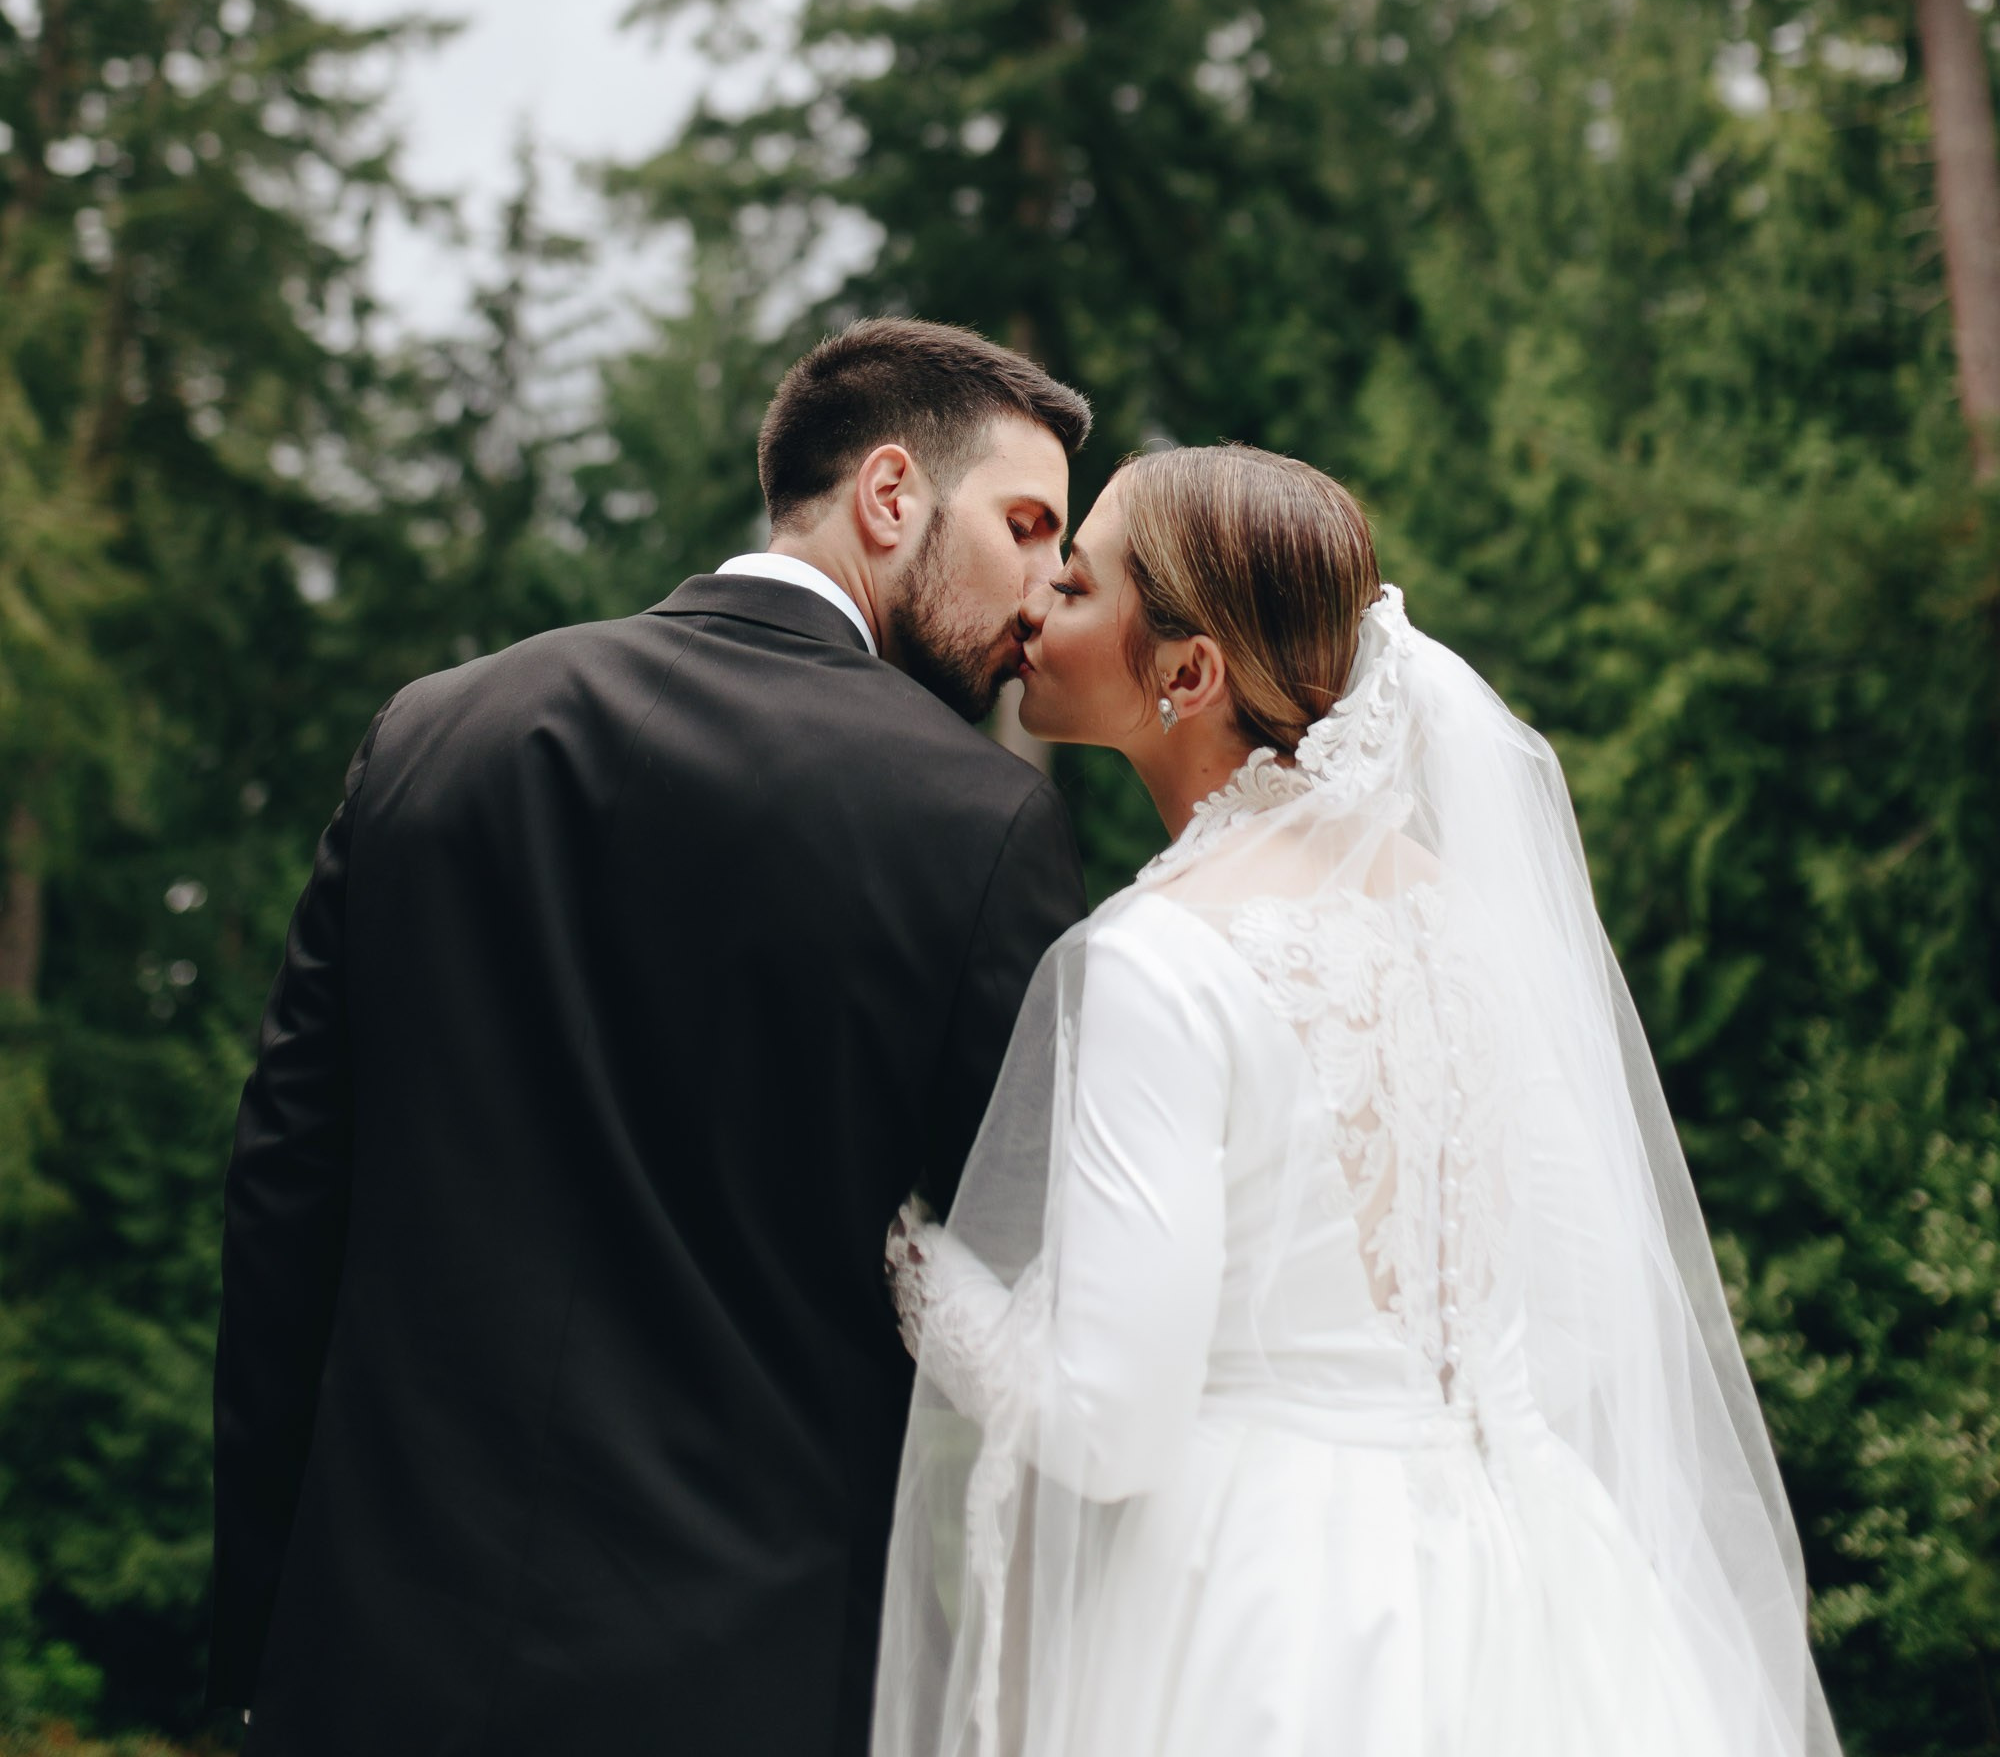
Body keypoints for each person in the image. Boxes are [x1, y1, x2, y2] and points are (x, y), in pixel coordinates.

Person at [209, 317, 1090, 1757]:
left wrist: (261, 1633)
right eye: (1028, 522)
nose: (1048, 586)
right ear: (888, 497)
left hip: (365, 1671)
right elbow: (1022, 1277)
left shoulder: (434, 734)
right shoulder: (979, 827)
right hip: (747, 1682)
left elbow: (286, 1200)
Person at [875, 444, 1840, 1757]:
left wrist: (925, 1279)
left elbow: (1109, 1424)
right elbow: (1574, 1294)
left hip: (1276, 1619)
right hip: (1536, 1588)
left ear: (1190, 672)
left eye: (1082, 584)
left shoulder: (1156, 964)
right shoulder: (1465, 918)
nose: (1035, 600)